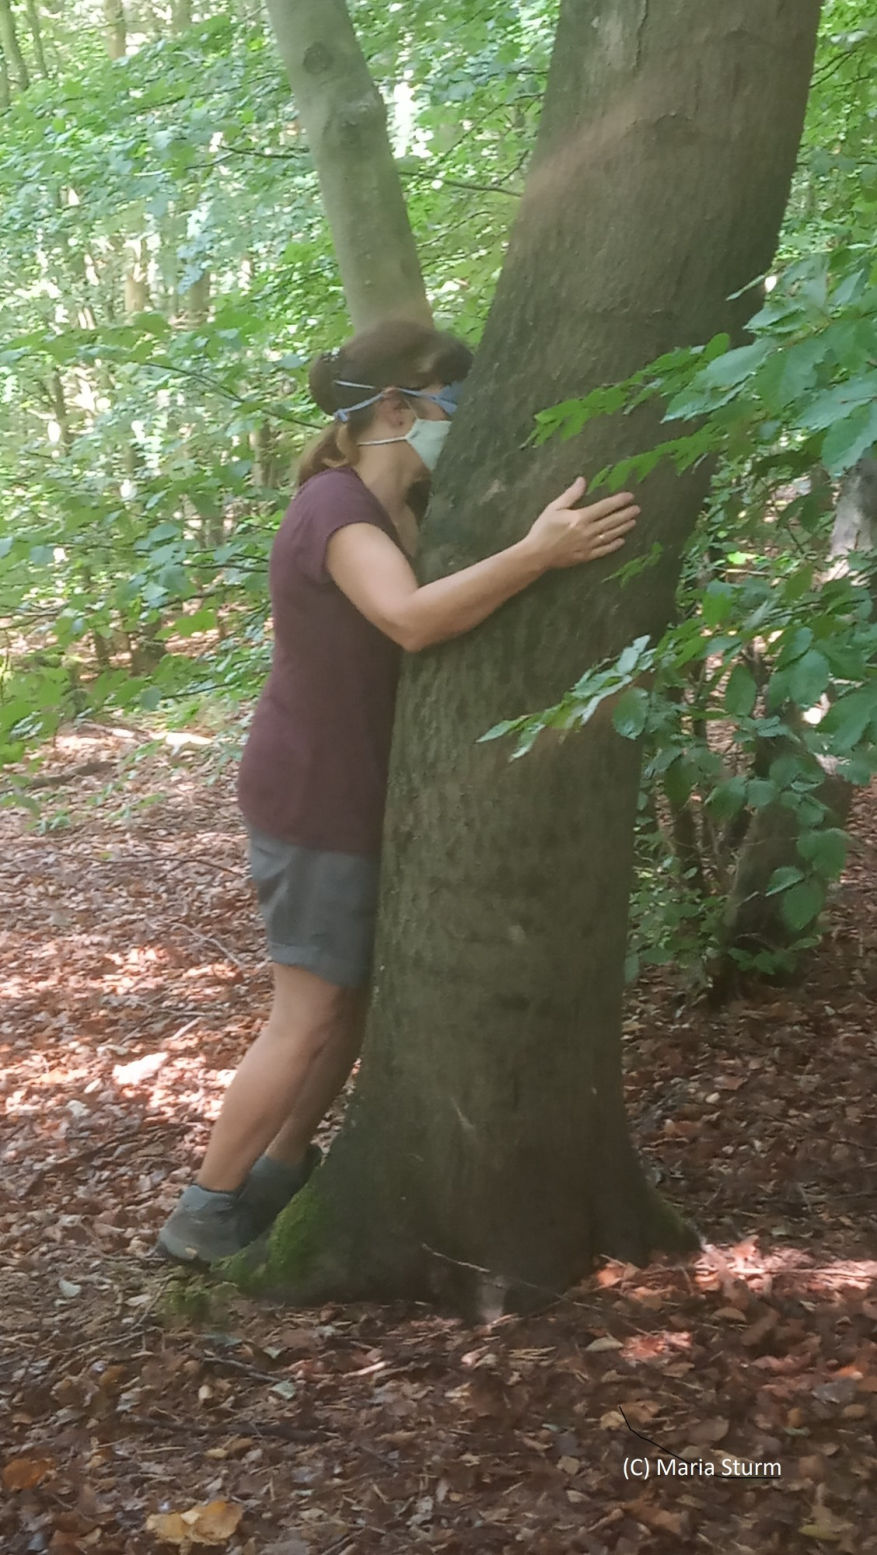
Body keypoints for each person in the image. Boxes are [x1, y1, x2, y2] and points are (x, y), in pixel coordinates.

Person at [157, 318, 639, 1264]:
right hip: (314, 795)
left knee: (353, 1002)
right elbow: (412, 620)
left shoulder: (397, 502)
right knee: (309, 1010)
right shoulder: (335, 510)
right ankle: (203, 1208)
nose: (455, 421)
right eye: (446, 404)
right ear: (393, 407)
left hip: (357, 791)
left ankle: (281, 1172)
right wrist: (540, 551)